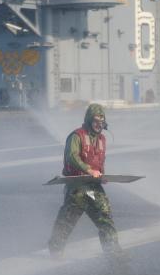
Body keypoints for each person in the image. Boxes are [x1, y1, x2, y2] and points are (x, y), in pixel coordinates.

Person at [48, 104, 126, 262]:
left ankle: (113, 251)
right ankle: (55, 248)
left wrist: (101, 175)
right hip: (76, 186)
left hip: (93, 186)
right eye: (96, 120)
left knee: (105, 216)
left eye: (102, 121)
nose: (99, 124)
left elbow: (99, 160)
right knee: (68, 220)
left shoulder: (102, 139)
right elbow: (72, 156)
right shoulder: (77, 136)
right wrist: (89, 170)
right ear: (89, 120)